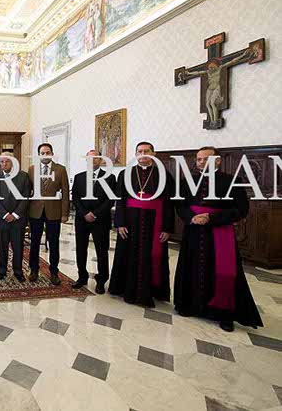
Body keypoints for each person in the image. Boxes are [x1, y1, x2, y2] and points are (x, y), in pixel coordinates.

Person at [174, 147, 263, 332]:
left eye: (206, 159)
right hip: (193, 230)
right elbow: (180, 204)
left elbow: (241, 210)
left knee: (224, 273)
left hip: (220, 232)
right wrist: (191, 217)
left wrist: (211, 218)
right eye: (199, 159)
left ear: (218, 161)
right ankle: (190, 305)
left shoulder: (231, 181)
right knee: (191, 267)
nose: (201, 162)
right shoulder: (186, 181)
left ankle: (224, 313)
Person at [109, 141, 175, 308]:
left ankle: (152, 290)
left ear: (153, 154)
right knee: (127, 254)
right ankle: (124, 288)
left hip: (155, 222)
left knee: (152, 256)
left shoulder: (164, 174)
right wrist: (120, 223)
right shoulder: (125, 174)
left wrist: (167, 227)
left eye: (147, 151)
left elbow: (169, 203)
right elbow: (120, 200)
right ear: (136, 154)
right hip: (130, 222)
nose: (143, 154)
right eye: (140, 151)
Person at [71, 150, 116, 293]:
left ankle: (101, 280)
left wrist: (95, 214)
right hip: (82, 220)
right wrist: (84, 213)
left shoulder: (110, 177)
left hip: (101, 220)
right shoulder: (79, 177)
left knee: (101, 251)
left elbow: (110, 200)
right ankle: (82, 277)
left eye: (95, 158)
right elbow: (75, 197)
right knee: (80, 249)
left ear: (101, 160)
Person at [28, 143, 69, 285]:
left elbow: (65, 192)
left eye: (48, 152)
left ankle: (54, 272)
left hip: (54, 212)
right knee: (34, 242)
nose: (45, 155)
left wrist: (65, 213)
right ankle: (34, 270)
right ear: (39, 155)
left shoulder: (60, 169)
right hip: (35, 211)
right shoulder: (32, 169)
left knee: (54, 243)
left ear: (52, 153)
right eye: (42, 153)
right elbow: (28, 191)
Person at [0, 153, 31, 282]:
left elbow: (26, 197)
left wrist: (15, 215)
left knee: (18, 247)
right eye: (1, 162)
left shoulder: (23, 176)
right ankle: (1, 270)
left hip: (18, 219)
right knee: (2, 247)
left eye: (7, 161)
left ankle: (18, 271)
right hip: (2, 219)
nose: (4, 164)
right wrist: (5, 214)